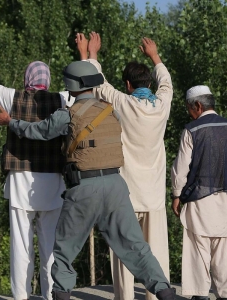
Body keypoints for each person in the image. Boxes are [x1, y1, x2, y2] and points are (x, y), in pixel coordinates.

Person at [0, 59, 176, 300]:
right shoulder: (112, 111)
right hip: (116, 187)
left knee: (64, 252)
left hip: (84, 188)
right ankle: (165, 292)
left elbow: (39, 131)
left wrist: (11, 122)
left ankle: (61, 295)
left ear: (71, 85)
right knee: (136, 248)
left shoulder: (67, 115)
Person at [0, 32, 71, 300]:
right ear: (47, 80)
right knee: (50, 246)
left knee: (20, 246)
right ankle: (51, 296)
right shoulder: (62, 100)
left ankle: (20, 297)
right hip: (52, 183)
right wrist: (86, 56)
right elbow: (88, 88)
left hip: (19, 182)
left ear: (27, 79)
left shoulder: (11, 98)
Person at [77, 32, 173, 300]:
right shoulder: (162, 106)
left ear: (129, 85)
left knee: (124, 254)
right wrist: (154, 56)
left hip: (127, 193)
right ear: (147, 83)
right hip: (153, 193)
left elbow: (100, 86)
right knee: (156, 254)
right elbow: (166, 82)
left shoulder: (124, 104)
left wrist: (92, 53)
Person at [171, 85, 227, 300]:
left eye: (189, 108)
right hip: (226, 200)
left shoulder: (192, 130)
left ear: (197, 105)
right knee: (225, 255)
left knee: (198, 253)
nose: (189, 113)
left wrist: (176, 195)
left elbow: (181, 168)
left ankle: (200, 295)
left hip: (198, 201)